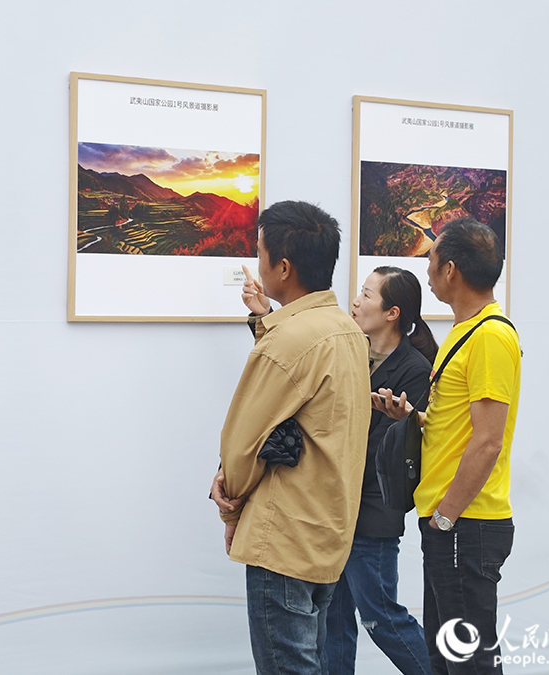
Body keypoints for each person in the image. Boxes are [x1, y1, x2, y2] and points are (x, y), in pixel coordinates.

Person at [212, 200, 371, 675]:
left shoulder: (289, 342)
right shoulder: (348, 332)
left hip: (283, 538)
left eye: (260, 253)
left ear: (282, 266)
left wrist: (229, 504)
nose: (257, 263)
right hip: (326, 532)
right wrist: (266, 320)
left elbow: (243, 442)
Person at [374, 218, 520, 675]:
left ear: (451, 269)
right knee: (444, 660)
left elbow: (488, 441)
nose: (428, 268)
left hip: (466, 523)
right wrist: (412, 417)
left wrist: (445, 517)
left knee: (469, 664)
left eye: (431, 260)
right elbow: (458, 425)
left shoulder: (492, 336)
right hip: (450, 521)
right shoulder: (465, 330)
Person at [326, 266, 437, 675]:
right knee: (332, 622)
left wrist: (397, 419)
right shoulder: (352, 351)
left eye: (367, 294)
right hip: (337, 507)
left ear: (392, 312)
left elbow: (399, 446)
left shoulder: (414, 368)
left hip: (373, 510)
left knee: (381, 618)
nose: (356, 300)